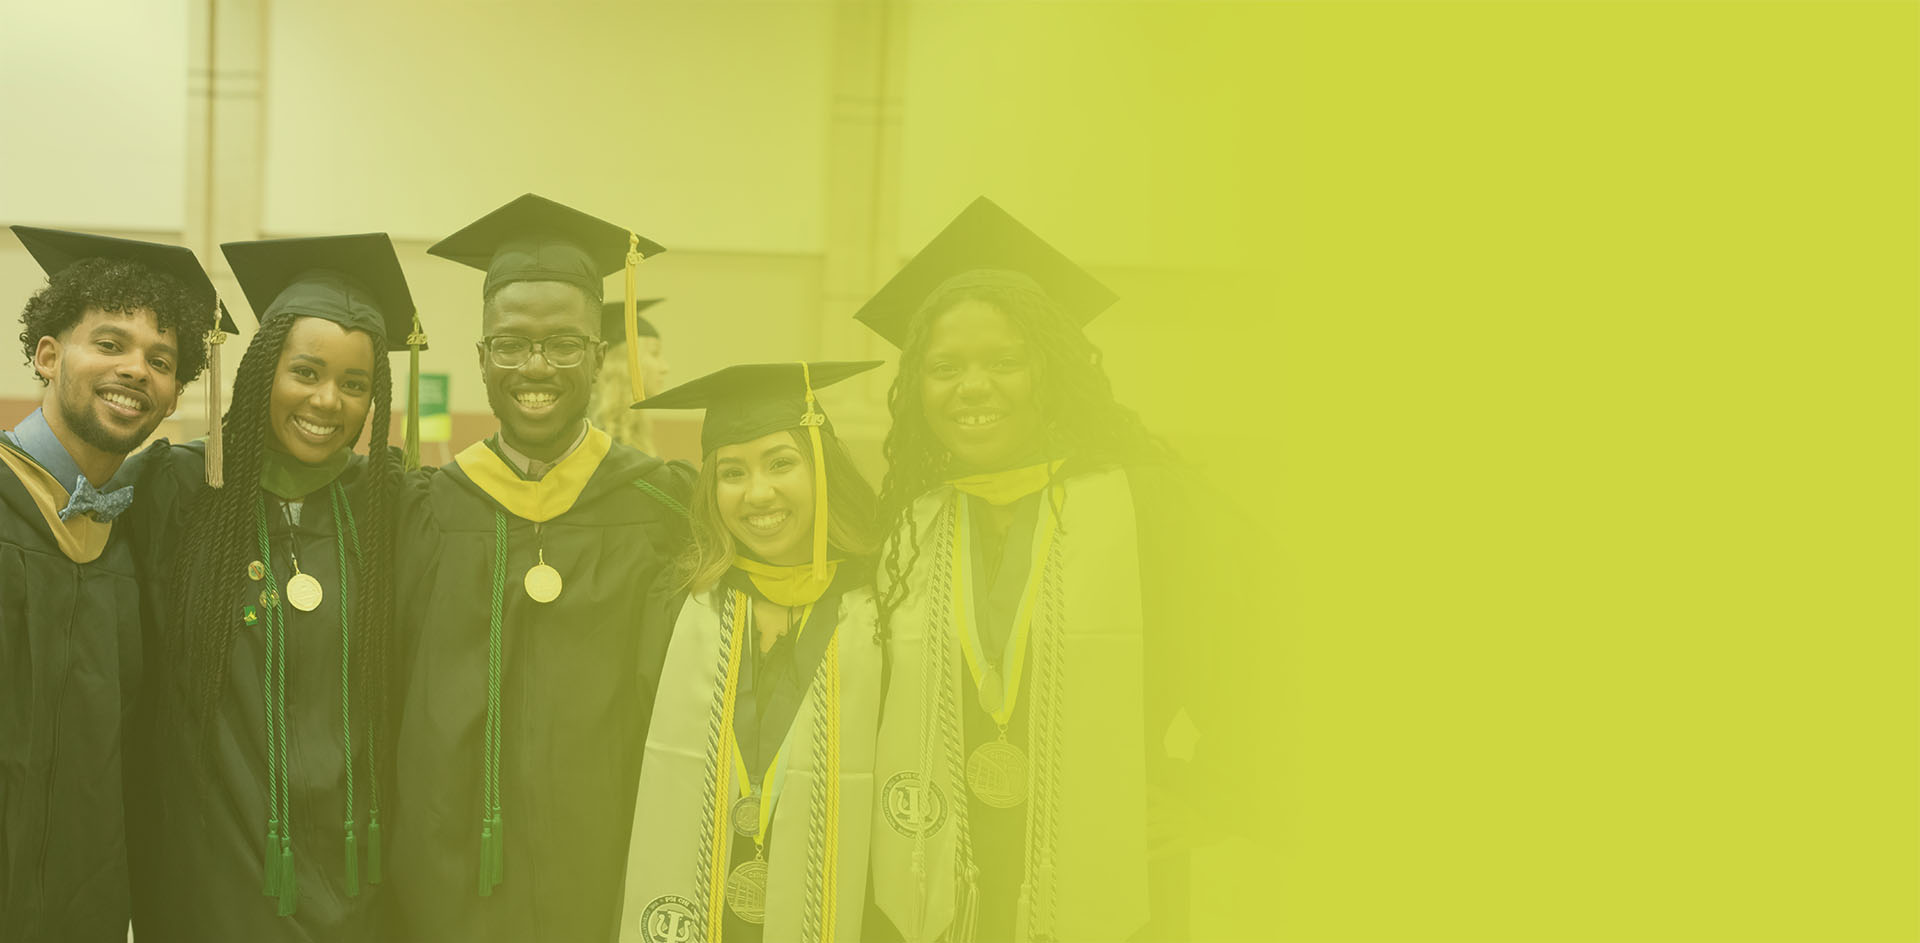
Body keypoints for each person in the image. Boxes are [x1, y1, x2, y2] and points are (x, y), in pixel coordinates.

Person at [854, 198, 1215, 942]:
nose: (972, 387)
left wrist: (1212, 792)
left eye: (1005, 362)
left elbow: (1265, 650)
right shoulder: (908, 525)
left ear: (1049, 371)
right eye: (945, 367)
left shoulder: (1141, 503)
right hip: (936, 878)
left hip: (1108, 884)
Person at [385, 193, 695, 943]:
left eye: (563, 344)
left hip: (608, 857)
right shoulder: (426, 511)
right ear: (482, 355)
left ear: (598, 355)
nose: (536, 367)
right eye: (513, 344)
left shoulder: (661, 507)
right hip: (448, 866)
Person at [124, 233, 416, 940]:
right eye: (306, 372)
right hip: (212, 873)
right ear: (263, 371)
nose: (328, 400)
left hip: (352, 879)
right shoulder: (181, 490)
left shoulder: (391, 506)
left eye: (355, 384)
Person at [0, 226, 220, 941]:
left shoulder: (128, 536)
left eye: (161, 360)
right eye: (110, 343)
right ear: (47, 353)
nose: (137, 369)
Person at [617, 360, 886, 943]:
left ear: (823, 468)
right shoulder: (680, 605)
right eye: (732, 472)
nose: (757, 492)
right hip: (696, 904)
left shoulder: (883, 608)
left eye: (781, 463)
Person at [591, 298, 670, 452]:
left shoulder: (628, 432)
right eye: (654, 353)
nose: (665, 367)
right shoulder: (595, 438)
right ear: (625, 363)